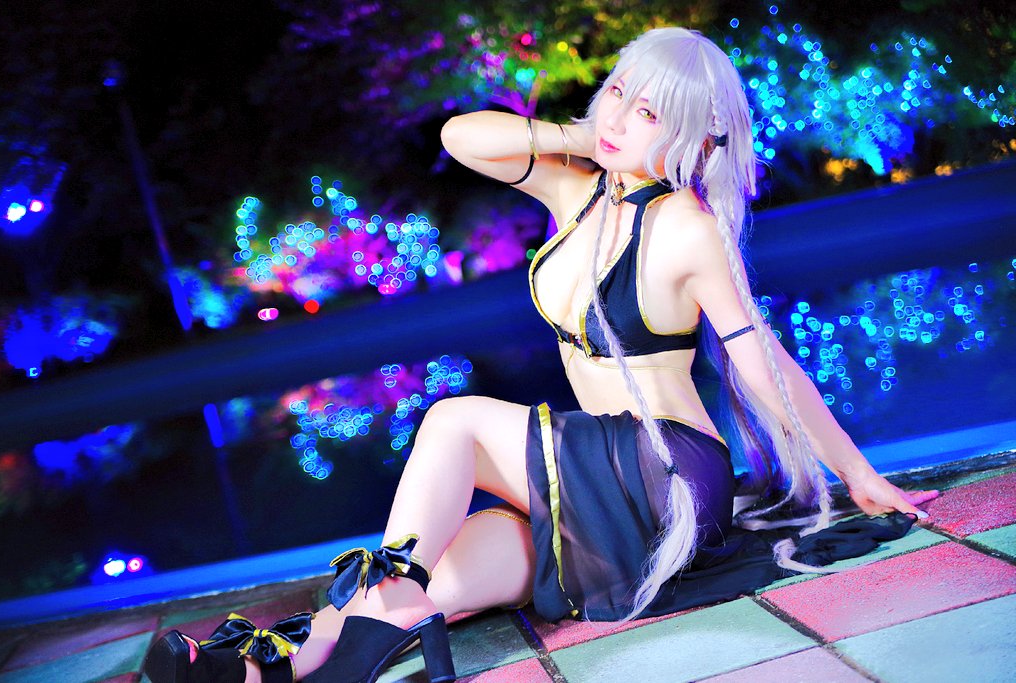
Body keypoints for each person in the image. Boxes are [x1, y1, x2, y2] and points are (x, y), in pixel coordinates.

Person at [145, 26, 939, 683]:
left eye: (649, 111)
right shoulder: (576, 190)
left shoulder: (686, 225)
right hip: (593, 481)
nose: (619, 115)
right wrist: (580, 136)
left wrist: (856, 474)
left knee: (453, 421)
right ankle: (287, 667)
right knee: (456, 566)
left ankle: (369, 619)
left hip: (664, 473)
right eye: (618, 92)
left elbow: (761, 361)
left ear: (694, 137)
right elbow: (459, 137)